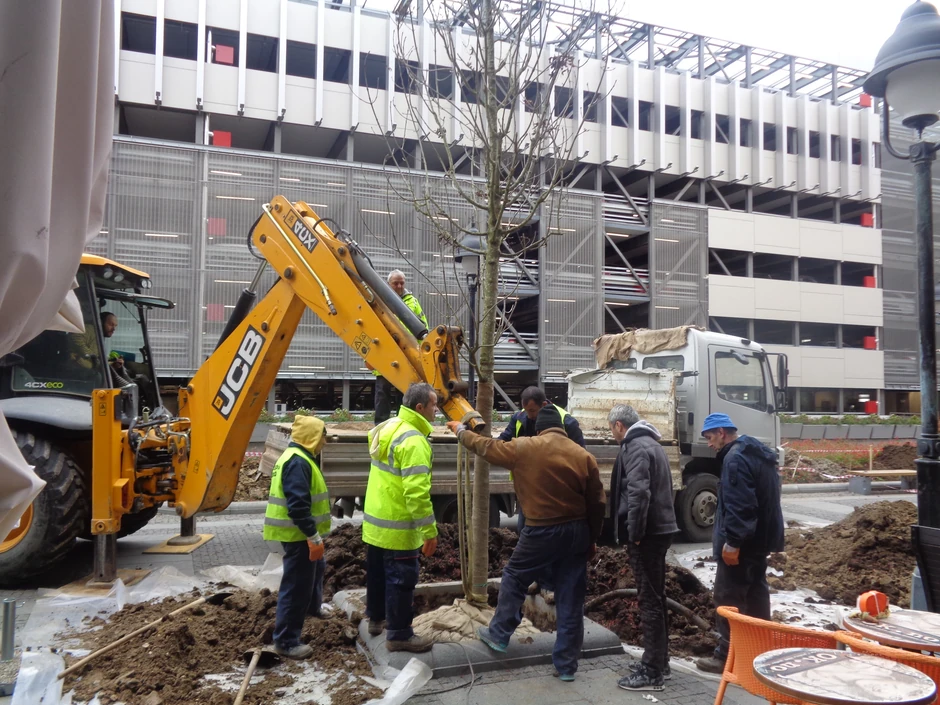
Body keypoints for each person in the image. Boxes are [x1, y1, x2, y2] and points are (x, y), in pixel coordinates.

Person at [447, 405, 606, 681]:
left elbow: (486, 446)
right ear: (562, 428)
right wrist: (591, 539)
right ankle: (567, 667)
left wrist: (461, 432)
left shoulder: (524, 447)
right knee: (570, 597)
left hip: (541, 530)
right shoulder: (583, 456)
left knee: (515, 576)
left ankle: (499, 634)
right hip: (577, 532)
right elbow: (597, 504)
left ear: (539, 429)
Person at [695, 412, 784, 675]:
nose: (710, 444)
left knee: (727, 597)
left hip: (742, 544)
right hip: (760, 541)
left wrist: (733, 542)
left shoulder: (734, 459)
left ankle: (727, 656)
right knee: (756, 594)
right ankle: (761, 650)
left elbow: (741, 506)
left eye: (711, 437)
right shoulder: (757, 453)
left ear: (722, 433)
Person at [607, 404, 679, 692]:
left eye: (612, 429)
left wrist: (634, 534)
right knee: (657, 598)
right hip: (659, 532)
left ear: (620, 426)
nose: (612, 435)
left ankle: (652, 672)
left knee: (649, 601)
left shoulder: (635, 447)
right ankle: (660, 663)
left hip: (647, 536)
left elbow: (639, 493)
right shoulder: (651, 443)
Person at [363, 382, 439, 653]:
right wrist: (429, 531)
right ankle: (399, 635)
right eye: (433, 405)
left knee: (377, 575)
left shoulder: (388, 427)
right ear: (420, 407)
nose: (437, 410)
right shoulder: (414, 441)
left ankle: (376, 619)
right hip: (398, 527)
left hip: (375, 523)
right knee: (401, 580)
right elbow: (416, 494)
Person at [263, 414, 332, 660]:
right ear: (312, 437)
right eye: (323, 436)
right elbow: (298, 506)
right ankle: (286, 641)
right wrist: (312, 536)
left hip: (300, 533)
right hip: (298, 535)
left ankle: (313, 607)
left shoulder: (299, 458)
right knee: (296, 586)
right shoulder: (298, 462)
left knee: (316, 570)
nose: (325, 441)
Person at [497, 386, 585, 533]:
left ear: (543, 405)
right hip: (528, 486)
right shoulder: (520, 417)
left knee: (547, 531)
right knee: (524, 529)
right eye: (526, 410)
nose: (529, 415)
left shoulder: (566, 421)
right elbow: (503, 441)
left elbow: (581, 456)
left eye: (532, 411)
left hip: (554, 488)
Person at [373, 270, 428, 424]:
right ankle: (381, 427)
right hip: (384, 357)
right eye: (395, 283)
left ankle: (401, 425)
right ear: (388, 284)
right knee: (383, 396)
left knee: (403, 397)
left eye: (401, 283)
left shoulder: (413, 303)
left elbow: (423, 328)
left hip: (406, 358)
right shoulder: (378, 301)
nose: (399, 286)